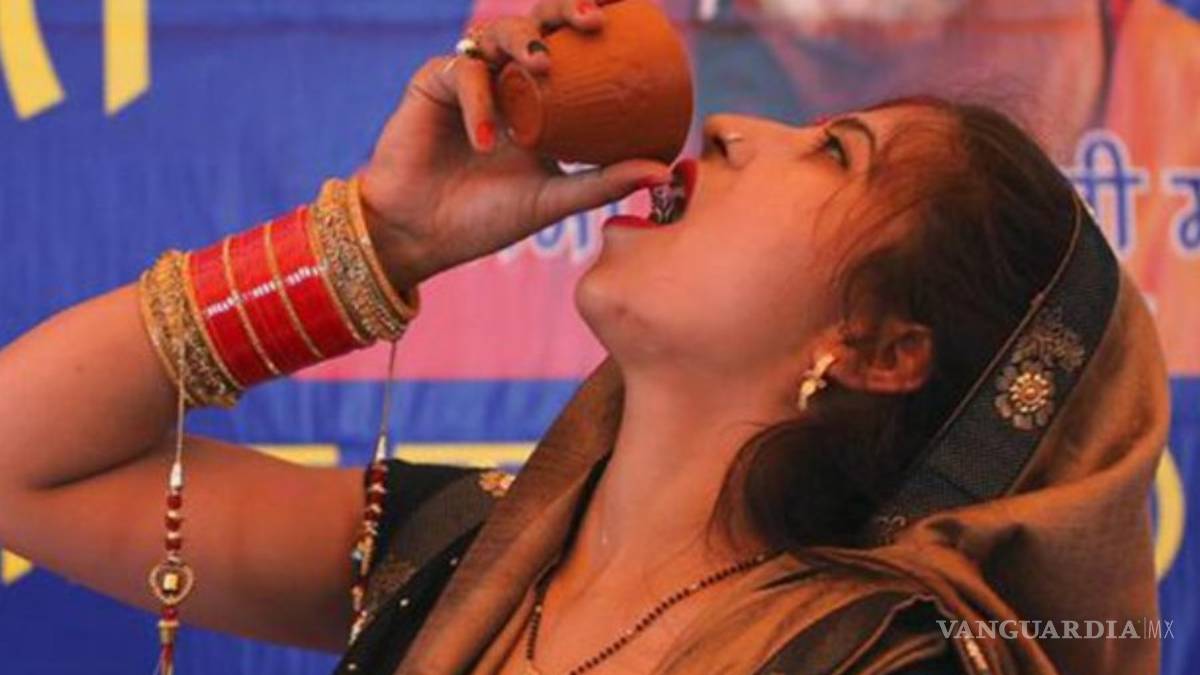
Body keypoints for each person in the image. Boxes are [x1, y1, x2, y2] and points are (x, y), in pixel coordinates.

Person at [0, 0, 1167, 673]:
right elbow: (21, 460)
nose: (735, 125)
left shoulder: (884, 663)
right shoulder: (453, 554)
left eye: (832, 153)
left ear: (879, 350)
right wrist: (382, 239)